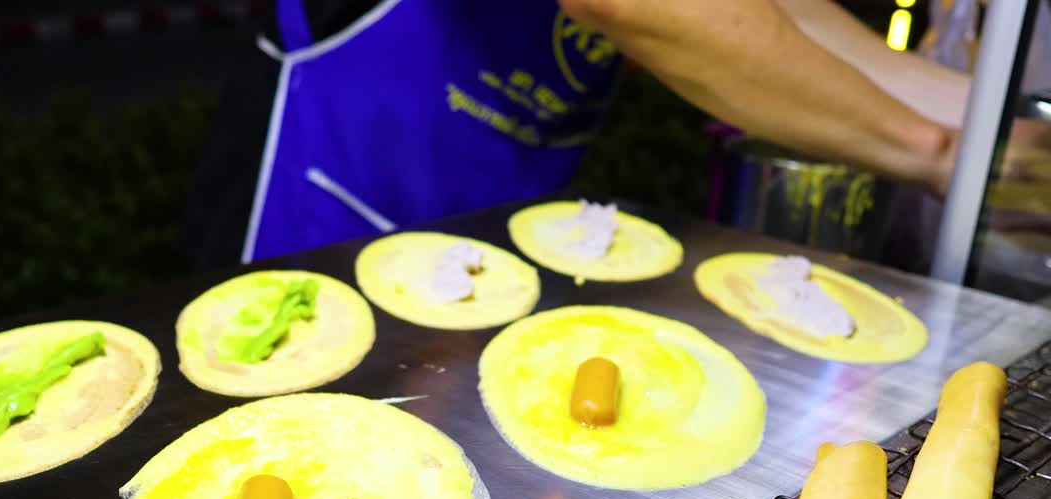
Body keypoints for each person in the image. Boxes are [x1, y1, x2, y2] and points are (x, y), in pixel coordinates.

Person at [180, 0, 1021, 268]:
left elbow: (774, 11)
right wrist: (936, 152)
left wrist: (978, 120)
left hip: (494, 216)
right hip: (327, 195)